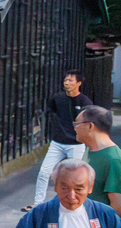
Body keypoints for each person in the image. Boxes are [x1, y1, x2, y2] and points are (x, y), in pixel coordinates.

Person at [26, 70, 93, 212]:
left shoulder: (84, 102)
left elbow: (90, 122)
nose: (67, 83)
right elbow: (51, 113)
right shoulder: (57, 98)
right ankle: (37, 203)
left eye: (70, 80)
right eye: (65, 80)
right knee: (44, 172)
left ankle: (76, 204)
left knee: (76, 176)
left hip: (76, 145)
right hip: (57, 143)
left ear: (79, 83)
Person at [74, 105, 121, 217]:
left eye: (77, 124)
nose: (74, 128)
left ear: (90, 126)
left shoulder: (114, 159)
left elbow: (117, 206)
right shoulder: (89, 149)